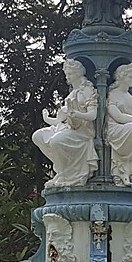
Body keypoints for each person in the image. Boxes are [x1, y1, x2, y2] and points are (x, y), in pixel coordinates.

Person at [33, 58, 100, 187]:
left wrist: (78, 114)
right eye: (66, 73)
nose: (67, 77)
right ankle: (63, 168)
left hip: (83, 131)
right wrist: (47, 119)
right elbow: (60, 120)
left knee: (56, 141)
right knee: (38, 136)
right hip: (67, 126)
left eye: (70, 74)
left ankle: (67, 175)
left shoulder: (86, 90)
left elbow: (93, 115)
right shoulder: (72, 93)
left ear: (78, 73)